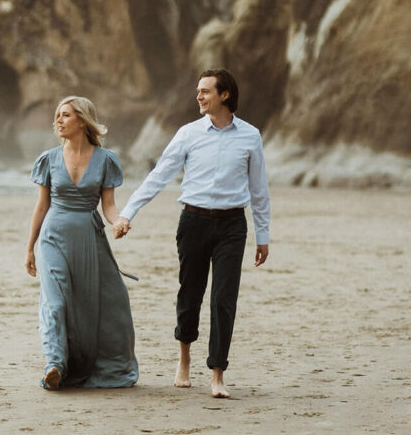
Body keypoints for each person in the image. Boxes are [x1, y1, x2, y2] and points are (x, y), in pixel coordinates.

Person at [113, 69, 269, 399]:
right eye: (198, 91)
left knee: (224, 299)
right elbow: (159, 176)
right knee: (190, 293)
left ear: (224, 94)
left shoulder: (250, 136)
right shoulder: (188, 133)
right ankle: (184, 359)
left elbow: (259, 190)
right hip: (193, 222)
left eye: (205, 91)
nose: (198, 96)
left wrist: (263, 235)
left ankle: (217, 374)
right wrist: (128, 213)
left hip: (232, 226)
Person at [25, 96, 138, 390]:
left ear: (82, 121)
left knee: (107, 301)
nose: (58, 121)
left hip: (88, 236)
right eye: (58, 115)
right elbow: (41, 206)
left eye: (65, 115)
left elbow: (109, 206)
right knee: (55, 300)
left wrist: (119, 222)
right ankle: (55, 364)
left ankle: (92, 364)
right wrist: (29, 248)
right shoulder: (48, 159)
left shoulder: (105, 159)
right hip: (53, 236)